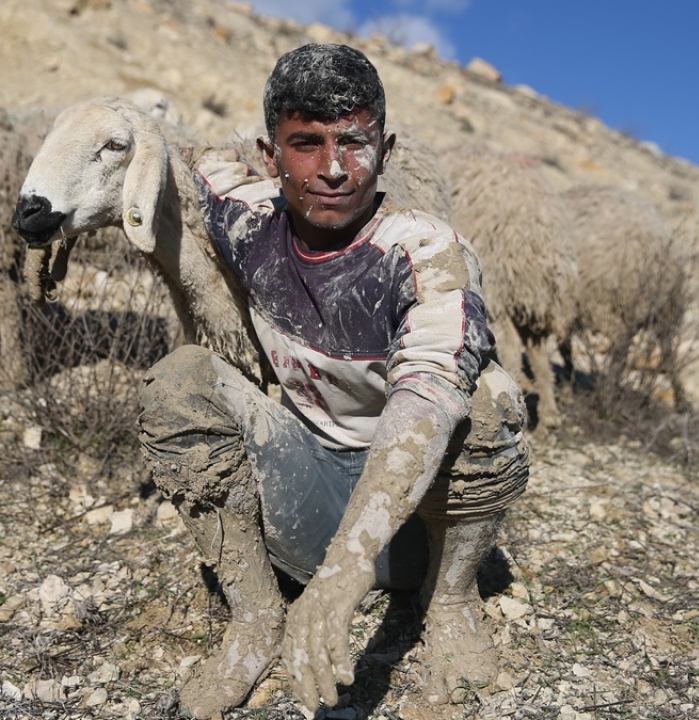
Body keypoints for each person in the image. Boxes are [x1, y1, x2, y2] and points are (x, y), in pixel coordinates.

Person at [137, 43, 530, 717]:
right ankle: (257, 619)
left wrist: (348, 569)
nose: (333, 169)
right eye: (306, 143)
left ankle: (452, 599)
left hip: (413, 522)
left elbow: (430, 395)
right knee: (180, 381)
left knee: (490, 399)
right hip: (305, 493)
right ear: (270, 154)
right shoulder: (247, 217)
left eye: (355, 141)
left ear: (387, 148)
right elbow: (188, 160)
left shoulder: (427, 253)